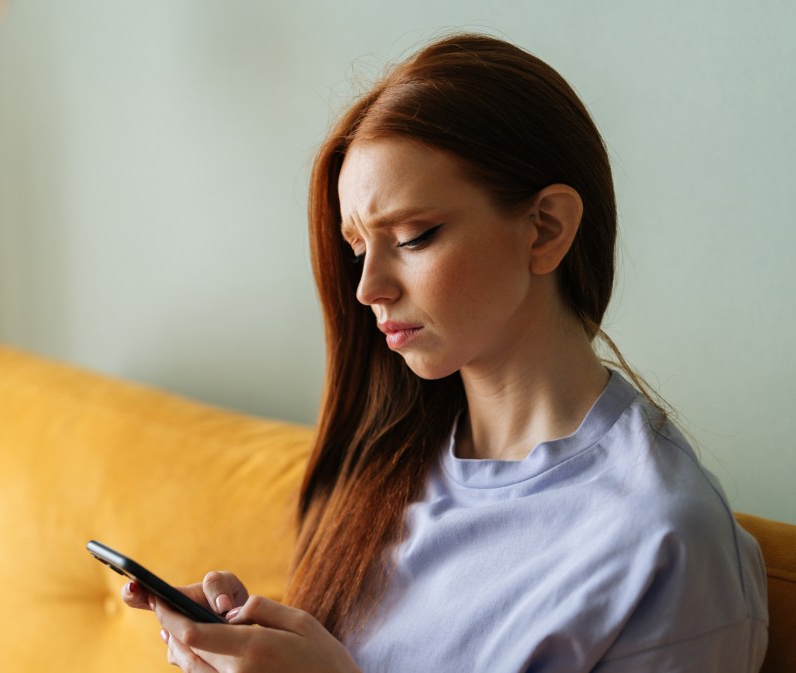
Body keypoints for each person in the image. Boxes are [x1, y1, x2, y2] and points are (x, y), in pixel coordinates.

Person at [122, 33, 769, 672]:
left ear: (545, 228)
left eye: (412, 236)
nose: (367, 288)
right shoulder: (388, 461)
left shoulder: (662, 538)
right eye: (356, 248)